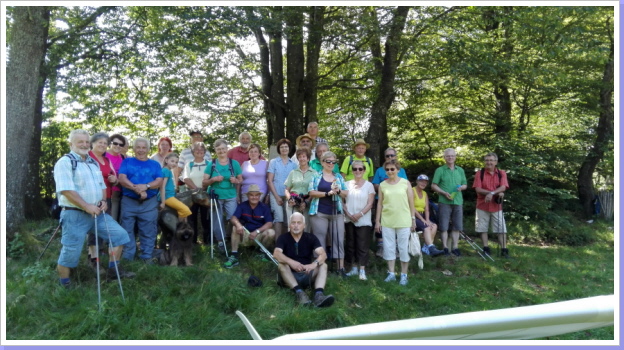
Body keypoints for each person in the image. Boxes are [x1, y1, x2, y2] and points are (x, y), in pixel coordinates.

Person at [54, 129, 134, 288]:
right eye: (80, 142)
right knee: (71, 251)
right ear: (71, 144)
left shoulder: (92, 162)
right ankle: (65, 285)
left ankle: (113, 271)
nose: (84, 144)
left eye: (86, 141)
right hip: (75, 214)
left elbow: (102, 185)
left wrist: (104, 200)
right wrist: (86, 205)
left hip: (99, 213)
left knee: (120, 236)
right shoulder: (66, 162)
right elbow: (65, 189)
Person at [273, 212, 335, 308]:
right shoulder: (283, 238)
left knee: (323, 265)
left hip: (307, 273)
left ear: (304, 225)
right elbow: (276, 254)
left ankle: (319, 295)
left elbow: (323, 254)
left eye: (299, 223)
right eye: (293, 223)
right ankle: (299, 293)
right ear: (289, 225)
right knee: (282, 265)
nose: (296, 226)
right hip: (289, 276)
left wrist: (313, 265)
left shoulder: (311, 237)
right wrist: (291, 262)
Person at [118, 137, 164, 262]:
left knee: (149, 230)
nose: (141, 150)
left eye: (144, 147)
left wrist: (146, 186)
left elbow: (159, 181)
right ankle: (128, 257)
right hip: (129, 201)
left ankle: (147, 256)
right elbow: (122, 178)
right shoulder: (127, 162)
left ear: (148, 149)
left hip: (149, 203)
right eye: (138, 147)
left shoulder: (155, 164)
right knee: (126, 229)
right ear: (134, 148)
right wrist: (136, 189)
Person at [375, 159, 416, 286]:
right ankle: (391, 273)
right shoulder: (382, 185)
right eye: (387, 169)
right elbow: (380, 203)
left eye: (392, 169)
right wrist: (377, 221)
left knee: (403, 248)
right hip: (387, 221)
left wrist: (413, 219)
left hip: (404, 220)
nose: (390, 171)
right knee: (389, 248)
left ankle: (404, 275)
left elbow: (411, 202)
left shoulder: (405, 183)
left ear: (398, 170)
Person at [308, 151, 349, 276]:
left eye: (333, 162)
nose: (331, 164)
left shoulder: (338, 177)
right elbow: (311, 192)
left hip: (336, 212)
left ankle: (340, 268)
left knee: (338, 239)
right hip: (319, 212)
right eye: (328, 161)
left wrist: (338, 191)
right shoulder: (315, 176)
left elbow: (346, 193)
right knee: (320, 240)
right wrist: (327, 194)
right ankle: (320, 267)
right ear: (322, 162)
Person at [86, 132, 118, 273]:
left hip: (107, 198)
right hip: (92, 198)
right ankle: (93, 259)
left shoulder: (107, 160)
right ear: (92, 143)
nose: (102, 145)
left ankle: (98, 254)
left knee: (103, 227)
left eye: (105, 143)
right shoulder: (87, 157)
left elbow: (115, 179)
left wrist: (114, 180)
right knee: (94, 229)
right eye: (100, 142)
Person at [202, 139, 243, 252]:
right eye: (218, 149)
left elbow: (240, 179)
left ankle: (233, 240)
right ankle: (221, 242)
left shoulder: (234, 163)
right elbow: (204, 182)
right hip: (216, 196)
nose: (221, 151)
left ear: (227, 149)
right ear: (215, 150)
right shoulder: (212, 164)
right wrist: (213, 179)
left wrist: (235, 180)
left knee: (234, 218)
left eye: (223, 149)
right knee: (217, 220)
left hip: (231, 195)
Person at [223, 185, 275, 268]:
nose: (254, 197)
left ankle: (261, 253)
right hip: (245, 235)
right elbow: (233, 218)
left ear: (259, 196)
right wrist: (238, 225)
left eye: (256, 195)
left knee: (271, 232)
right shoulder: (242, 206)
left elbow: (269, 223)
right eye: (251, 195)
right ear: (248, 196)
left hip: (258, 236)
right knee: (235, 227)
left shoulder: (264, 207)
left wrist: (257, 231)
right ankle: (234, 256)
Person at [371, 147, 408, 258]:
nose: (390, 157)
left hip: (398, 202)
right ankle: (381, 247)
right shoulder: (379, 170)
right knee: (382, 223)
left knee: (397, 222)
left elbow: (406, 185)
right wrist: (385, 184)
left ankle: (396, 248)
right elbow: (375, 185)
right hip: (383, 199)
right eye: (388, 156)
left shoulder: (402, 170)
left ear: (396, 156)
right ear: (384, 157)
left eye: (392, 155)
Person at [342, 160, 375, 281]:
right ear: (352, 170)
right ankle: (353, 267)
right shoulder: (346, 184)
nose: (357, 171)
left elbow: (370, 203)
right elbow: (342, 201)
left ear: (364, 170)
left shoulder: (369, 185)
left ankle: (362, 270)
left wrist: (360, 214)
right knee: (351, 244)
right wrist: (348, 214)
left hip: (363, 219)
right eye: (355, 169)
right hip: (349, 218)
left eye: (360, 169)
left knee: (362, 245)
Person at [431, 148, 468, 256]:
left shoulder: (460, 170)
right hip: (444, 201)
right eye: (448, 156)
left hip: (458, 201)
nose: (450, 158)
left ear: (455, 157)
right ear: (444, 157)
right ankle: (445, 248)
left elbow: (465, 184)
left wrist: (461, 188)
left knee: (457, 226)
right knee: (444, 226)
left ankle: (455, 247)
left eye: (452, 156)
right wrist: (443, 193)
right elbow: (433, 186)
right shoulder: (440, 170)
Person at [472, 152, 510, 258]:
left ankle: (504, 250)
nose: (489, 162)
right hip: (482, 205)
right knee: (482, 228)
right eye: (487, 160)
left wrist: (491, 193)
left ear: (496, 162)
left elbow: (503, 187)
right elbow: (477, 189)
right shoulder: (480, 173)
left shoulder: (502, 173)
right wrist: (490, 193)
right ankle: (486, 249)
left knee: (501, 229)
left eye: (491, 160)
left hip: (496, 206)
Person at [267, 138, 298, 241]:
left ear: (289, 149)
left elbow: (294, 182)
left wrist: (291, 197)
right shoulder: (274, 162)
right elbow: (270, 181)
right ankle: (277, 244)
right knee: (278, 218)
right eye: (282, 147)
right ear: (279, 149)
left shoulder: (293, 164)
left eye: (286, 147)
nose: (284, 149)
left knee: (288, 220)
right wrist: (276, 197)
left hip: (288, 196)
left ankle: (285, 244)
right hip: (276, 194)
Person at [182, 141, 211, 244]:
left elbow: (211, 178)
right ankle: (192, 242)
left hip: (206, 195)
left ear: (205, 151)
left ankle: (207, 242)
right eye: (197, 149)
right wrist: (197, 190)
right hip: (192, 195)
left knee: (206, 219)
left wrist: (203, 190)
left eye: (201, 149)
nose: (199, 151)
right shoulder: (189, 164)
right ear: (193, 152)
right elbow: (186, 178)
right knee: (191, 219)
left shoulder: (209, 164)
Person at [284, 147, 317, 230]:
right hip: (293, 202)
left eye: (304, 156)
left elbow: (315, 191)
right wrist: (290, 199)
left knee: (305, 228)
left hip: (307, 203)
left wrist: (306, 202)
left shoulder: (314, 173)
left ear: (308, 158)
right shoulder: (293, 172)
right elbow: (287, 189)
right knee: (292, 228)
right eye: (300, 157)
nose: (302, 159)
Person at [413, 174, 443, 257]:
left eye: (425, 182)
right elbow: (412, 208)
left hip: (422, 216)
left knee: (434, 226)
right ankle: (431, 248)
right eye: (421, 181)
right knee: (426, 227)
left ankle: (426, 248)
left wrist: (427, 220)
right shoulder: (412, 191)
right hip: (413, 216)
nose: (423, 183)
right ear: (417, 181)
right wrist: (423, 220)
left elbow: (426, 209)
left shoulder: (425, 193)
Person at [160, 153, 192, 222]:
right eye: (172, 161)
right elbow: (162, 186)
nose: (174, 163)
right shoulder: (166, 171)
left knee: (183, 208)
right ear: (166, 160)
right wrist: (163, 202)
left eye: (176, 162)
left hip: (171, 195)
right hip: (167, 197)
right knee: (185, 209)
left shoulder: (169, 171)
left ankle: (182, 225)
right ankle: (179, 226)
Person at [106, 134, 128, 222]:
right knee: (109, 221)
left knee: (117, 221)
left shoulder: (123, 157)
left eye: (121, 144)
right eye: (115, 143)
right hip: (107, 194)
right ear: (110, 143)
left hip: (120, 193)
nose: (118, 146)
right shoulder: (104, 155)